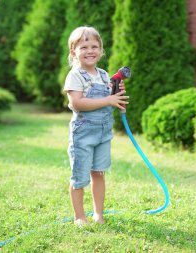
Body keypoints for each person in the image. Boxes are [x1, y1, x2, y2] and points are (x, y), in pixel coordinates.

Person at [63, 26, 129, 226]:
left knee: (98, 172)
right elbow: (78, 103)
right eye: (84, 47)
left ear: (101, 50)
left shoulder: (103, 74)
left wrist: (117, 96)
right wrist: (108, 100)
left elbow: (109, 99)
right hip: (83, 135)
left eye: (94, 46)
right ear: (74, 52)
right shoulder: (75, 75)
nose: (90, 51)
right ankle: (79, 217)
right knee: (80, 177)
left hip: (103, 134)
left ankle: (98, 214)